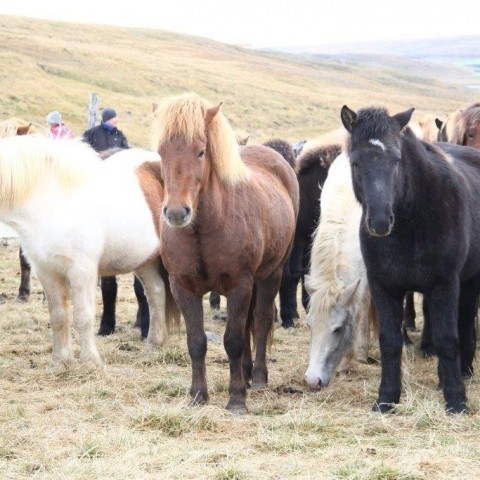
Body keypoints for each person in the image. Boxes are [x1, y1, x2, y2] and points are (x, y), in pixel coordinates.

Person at [82, 106, 149, 338]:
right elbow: (84, 155)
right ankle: (107, 320)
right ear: (106, 119)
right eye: (113, 119)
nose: (116, 122)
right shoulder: (92, 134)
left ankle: (143, 318)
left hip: (119, 186)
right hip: (99, 185)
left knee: (143, 273)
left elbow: (127, 155)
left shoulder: (120, 136)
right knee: (107, 276)